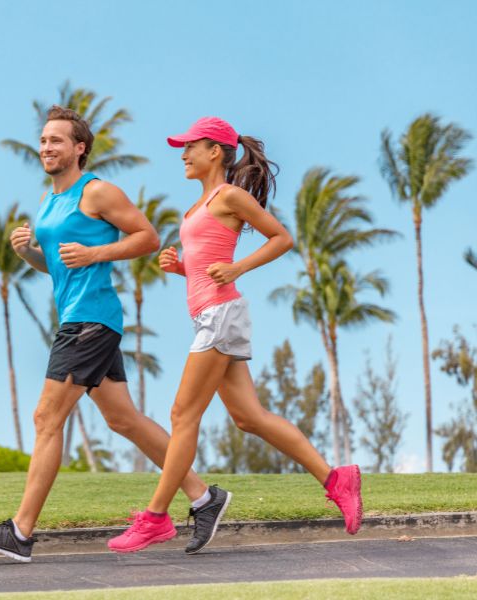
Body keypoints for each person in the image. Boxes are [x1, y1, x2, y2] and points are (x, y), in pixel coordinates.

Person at [0, 107, 232, 563]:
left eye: (58, 141)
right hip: (81, 318)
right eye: (44, 140)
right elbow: (58, 266)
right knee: (123, 419)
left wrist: (96, 252)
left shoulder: (97, 191)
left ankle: (21, 532)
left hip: (90, 321)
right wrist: (29, 252)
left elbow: (146, 237)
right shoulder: (50, 202)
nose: (47, 147)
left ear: (79, 148)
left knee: (47, 418)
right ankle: (204, 498)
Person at [106, 117, 362, 555]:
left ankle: (155, 518)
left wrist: (240, 267)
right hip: (214, 314)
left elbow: (282, 238)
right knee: (249, 417)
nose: (183, 154)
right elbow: (210, 259)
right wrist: (181, 267)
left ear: (216, 151)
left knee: (183, 415)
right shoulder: (202, 203)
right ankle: (337, 478)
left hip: (220, 316)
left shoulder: (230, 196)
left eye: (191, 146)